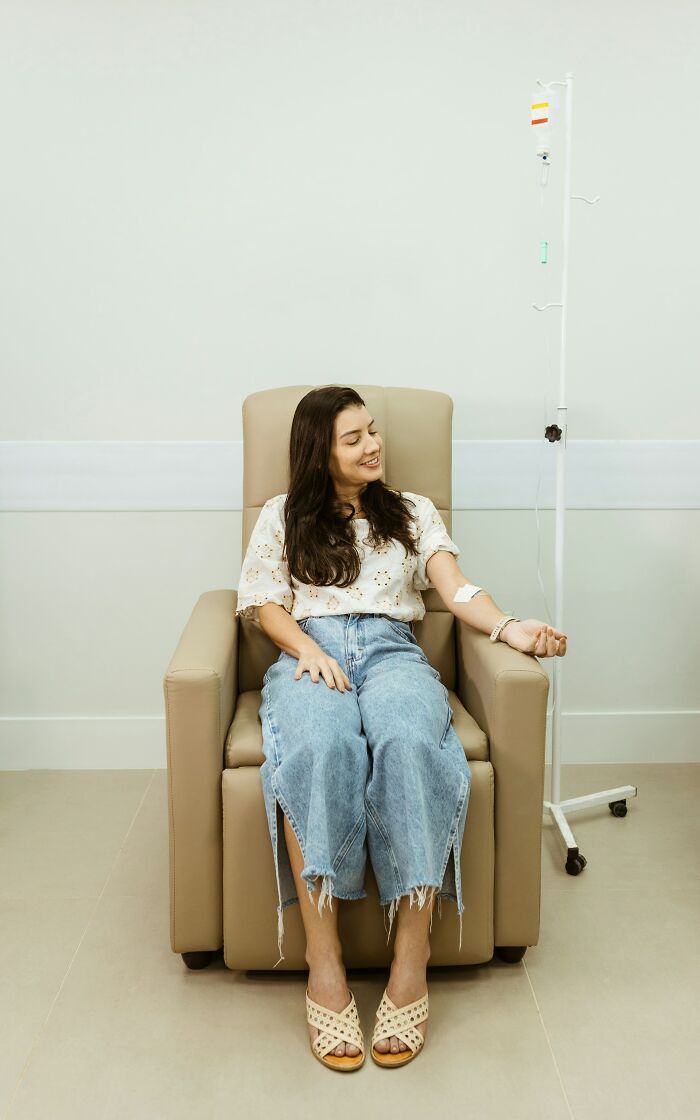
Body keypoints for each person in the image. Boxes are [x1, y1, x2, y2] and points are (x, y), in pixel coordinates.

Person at [236, 386, 567, 1071]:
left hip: (392, 651)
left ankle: (409, 960)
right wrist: (310, 649)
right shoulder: (282, 516)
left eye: (374, 431)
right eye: (353, 438)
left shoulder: (412, 512)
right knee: (321, 745)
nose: (373, 446)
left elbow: (456, 589)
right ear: (319, 452)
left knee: (413, 742)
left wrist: (511, 626)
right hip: (311, 651)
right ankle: (321, 964)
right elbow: (265, 605)